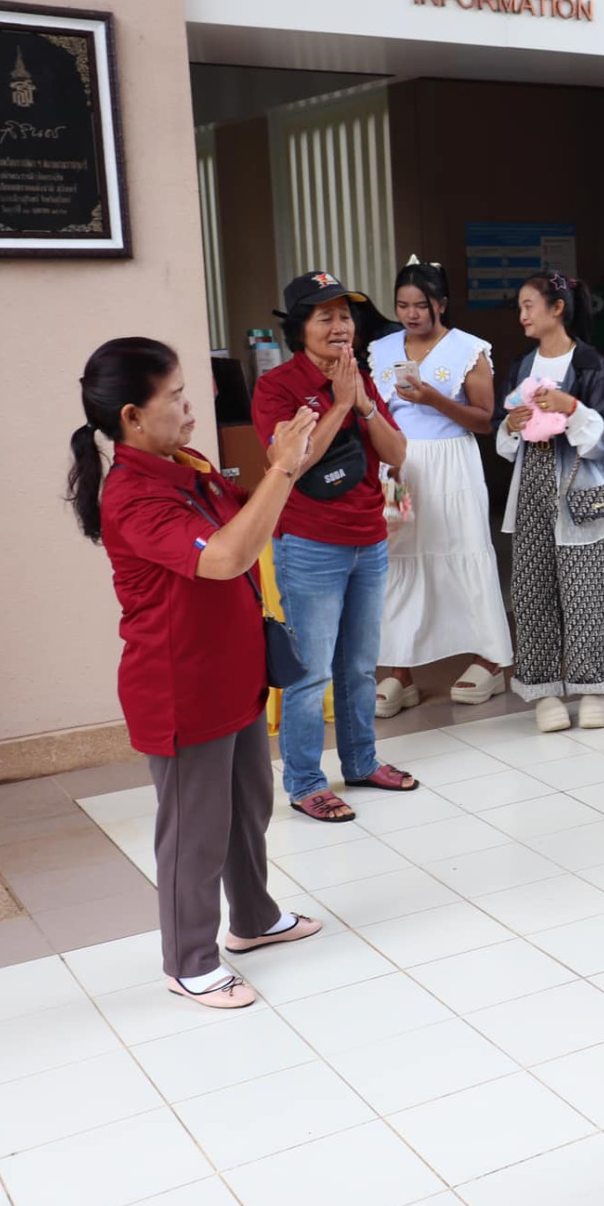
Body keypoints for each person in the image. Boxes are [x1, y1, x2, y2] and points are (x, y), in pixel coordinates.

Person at [71, 338, 325, 1007]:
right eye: (177, 394)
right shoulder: (131, 494)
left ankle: (253, 917)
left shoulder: (183, 464)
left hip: (230, 672)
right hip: (181, 687)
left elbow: (249, 519)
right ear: (131, 414)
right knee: (195, 827)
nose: (194, 403)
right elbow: (221, 558)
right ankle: (188, 959)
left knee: (248, 807)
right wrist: (280, 474)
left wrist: (289, 463)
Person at [252, 271, 419, 823]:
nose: (339, 325)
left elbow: (398, 453)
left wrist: (363, 403)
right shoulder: (276, 386)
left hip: (367, 540)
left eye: (345, 315)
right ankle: (303, 782)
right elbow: (292, 463)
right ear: (300, 328)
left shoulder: (360, 378)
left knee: (360, 667)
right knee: (311, 673)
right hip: (309, 544)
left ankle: (362, 761)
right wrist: (341, 405)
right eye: (325, 316)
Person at [366, 259, 511, 716]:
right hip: (399, 464)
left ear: (441, 305)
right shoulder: (381, 348)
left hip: (453, 462)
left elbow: (486, 420)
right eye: (402, 305)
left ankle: (489, 659)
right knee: (398, 558)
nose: (411, 314)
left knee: (462, 548)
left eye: (421, 306)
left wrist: (433, 399)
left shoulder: (469, 349)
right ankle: (398, 668)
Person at [496, 271, 604, 734]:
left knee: (586, 589)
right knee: (531, 590)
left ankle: (592, 688)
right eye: (519, 307)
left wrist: (570, 408)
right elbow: (505, 437)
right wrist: (511, 425)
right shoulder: (520, 366)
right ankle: (544, 691)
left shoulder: (593, 366)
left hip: (581, 492)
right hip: (531, 486)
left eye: (529, 305)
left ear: (557, 308)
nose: (522, 315)